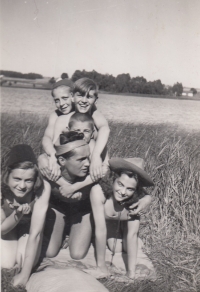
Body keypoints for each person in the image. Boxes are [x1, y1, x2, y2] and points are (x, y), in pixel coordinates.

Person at [88, 157, 154, 280]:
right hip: (101, 223)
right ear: (113, 179)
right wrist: (101, 266)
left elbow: (132, 234)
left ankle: (123, 235)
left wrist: (131, 273)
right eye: (120, 184)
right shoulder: (98, 191)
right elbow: (100, 230)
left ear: (136, 190)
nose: (123, 192)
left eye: (130, 189)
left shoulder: (138, 200)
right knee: (113, 246)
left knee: (119, 247)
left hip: (120, 222)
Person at [1, 144, 51, 287]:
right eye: (17, 179)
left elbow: (35, 233)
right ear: (7, 175)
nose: (22, 186)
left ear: (35, 179)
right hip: (7, 227)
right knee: (5, 262)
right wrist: (18, 213)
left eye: (28, 180)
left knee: (23, 261)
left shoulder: (42, 189)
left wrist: (25, 275)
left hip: (29, 230)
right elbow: (2, 229)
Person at [52, 77, 110, 182]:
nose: (84, 101)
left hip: (89, 175)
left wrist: (96, 156)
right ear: (72, 97)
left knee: (92, 142)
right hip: (67, 172)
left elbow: (105, 129)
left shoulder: (95, 119)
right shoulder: (62, 119)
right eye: (80, 95)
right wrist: (51, 158)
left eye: (89, 97)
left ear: (95, 100)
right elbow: (55, 146)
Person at [41, 79, 74, 180]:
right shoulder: (55, 115)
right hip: (58, 155)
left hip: (75, 159)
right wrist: (52, 155)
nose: (61, 104)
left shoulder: (80, 113)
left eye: (64, 98)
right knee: (42, 162)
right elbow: (47, 137)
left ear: (73, 96)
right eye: (57, 100)